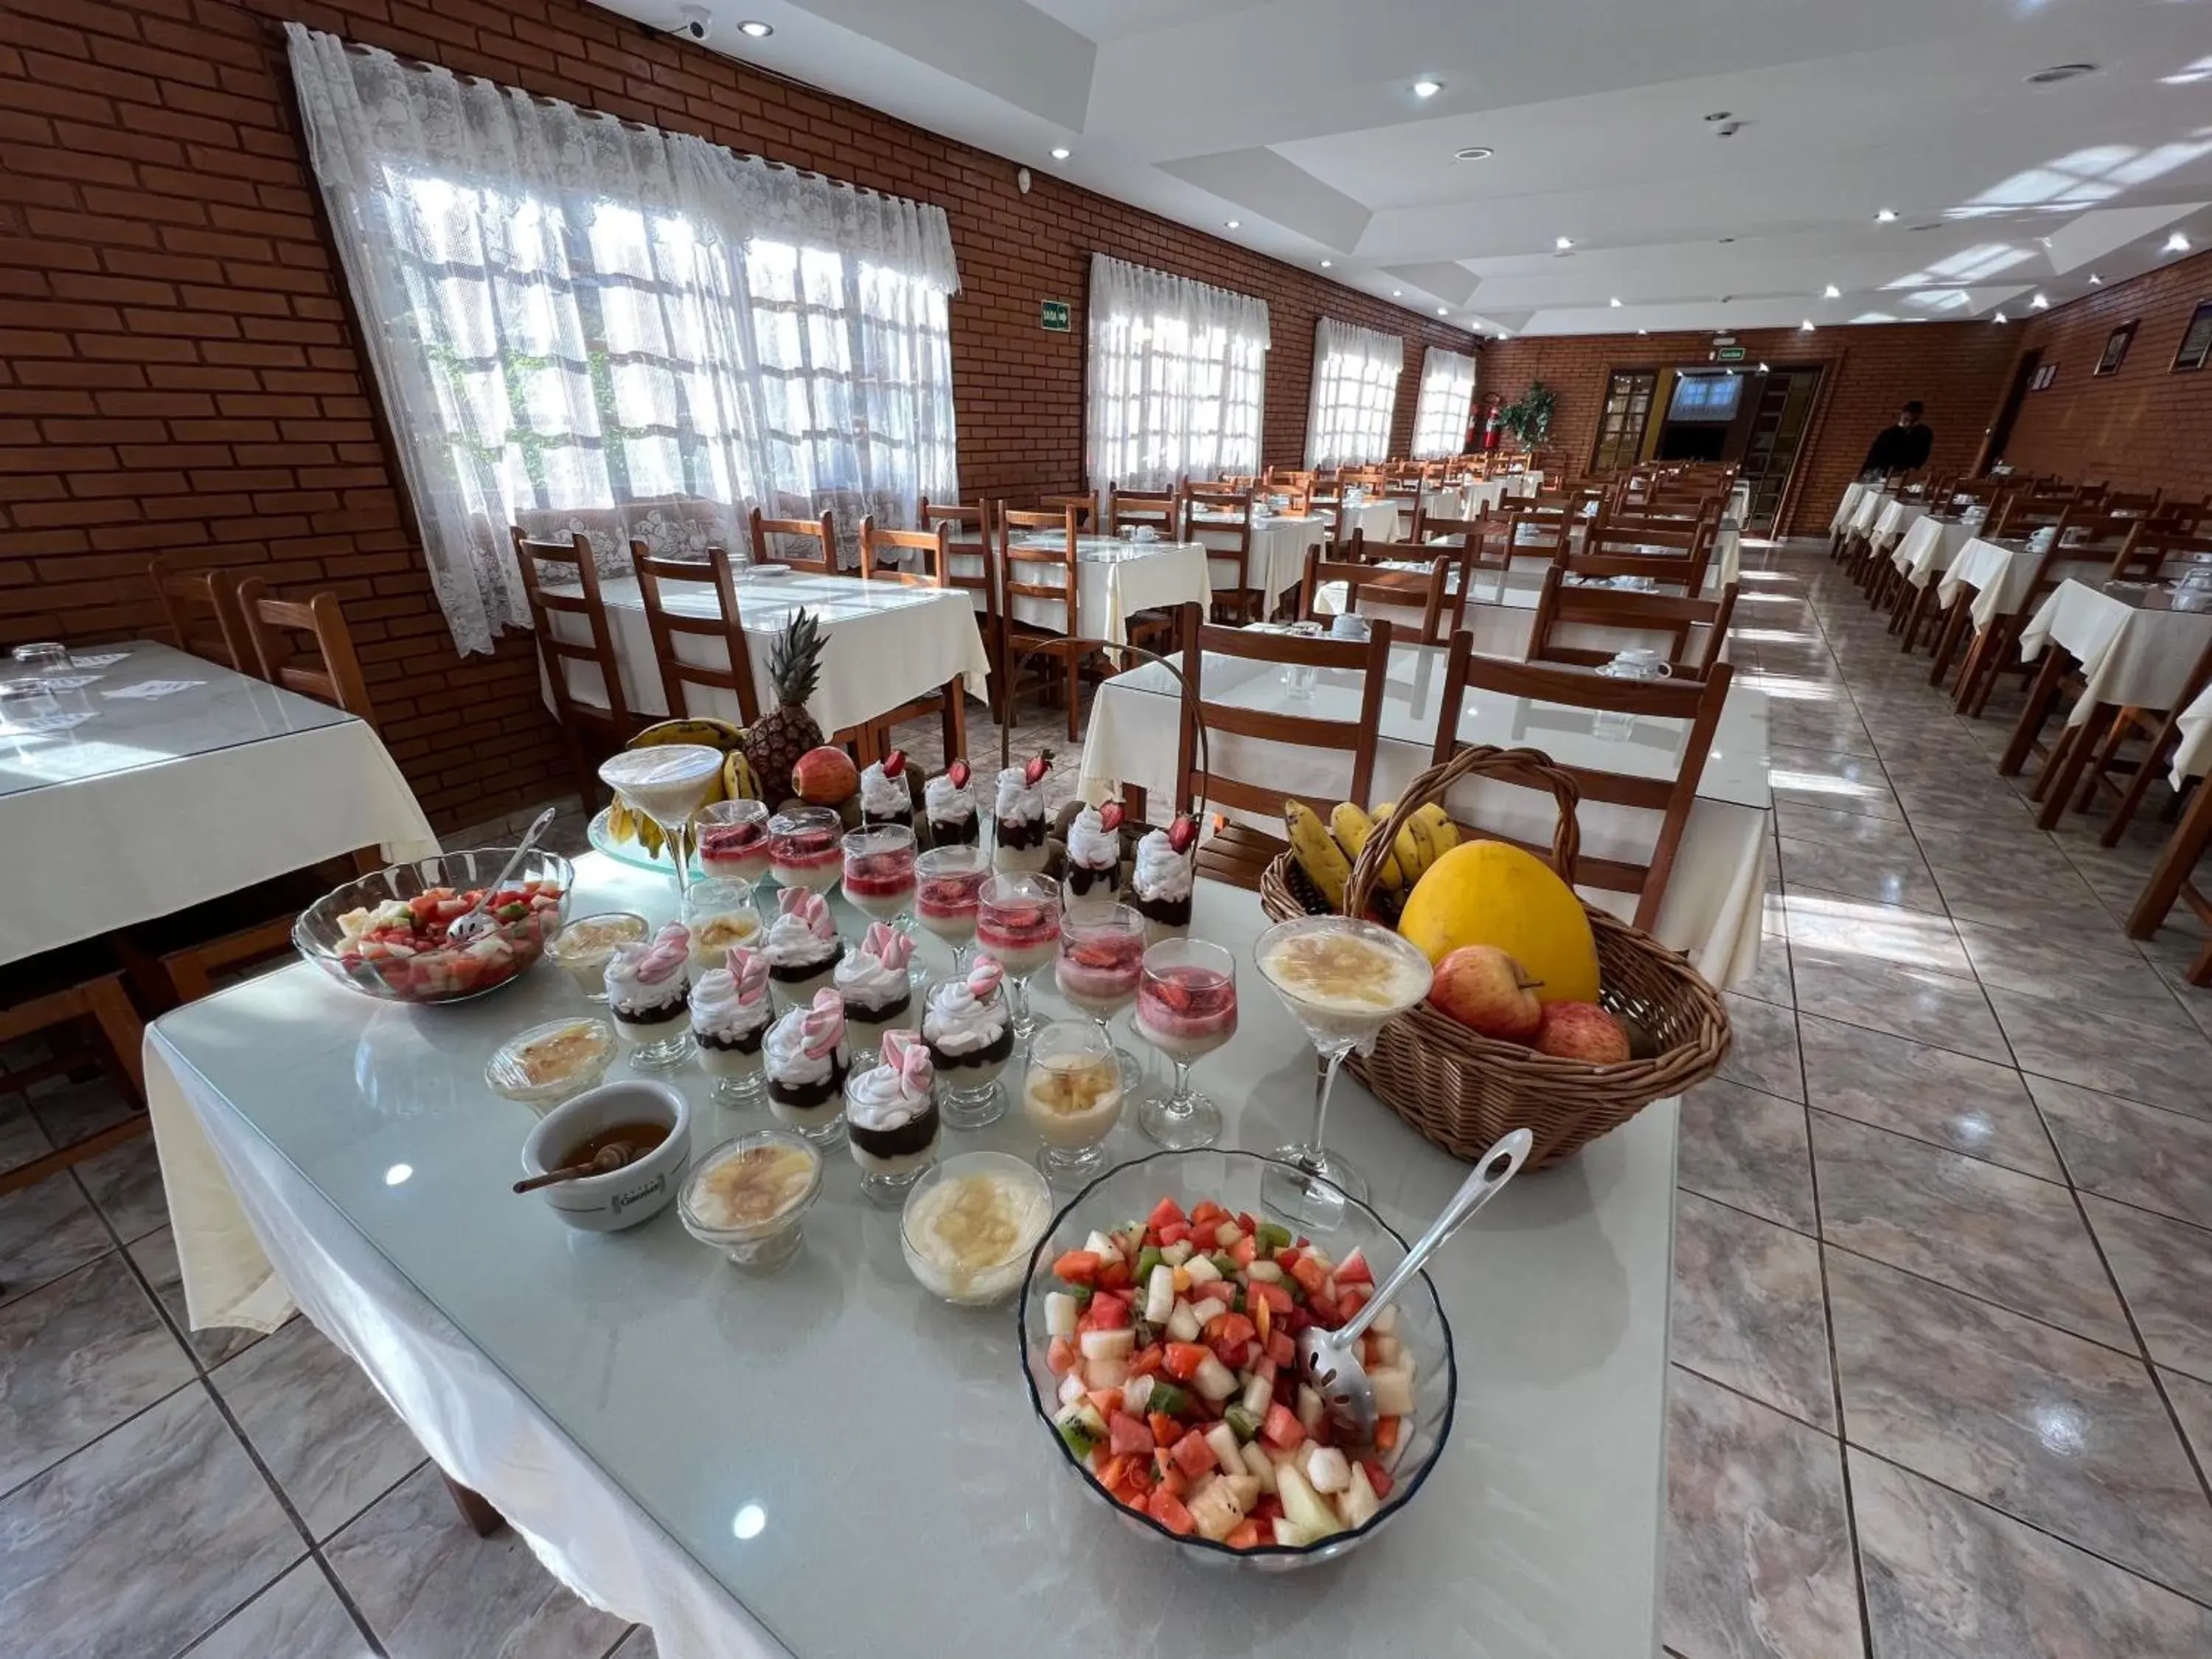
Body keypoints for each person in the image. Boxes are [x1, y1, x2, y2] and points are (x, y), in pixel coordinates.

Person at [1861, 402, 1933, 476]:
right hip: (1882, 471)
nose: (1908, 423)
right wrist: (1866, 472)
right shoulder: (1888, 434)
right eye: (1906, 419)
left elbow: (1922, 453)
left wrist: (1913, 467)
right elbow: (1874, 454)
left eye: (1913, 420)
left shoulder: (1923, 433)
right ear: (1902, 415)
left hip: (1902, 472)